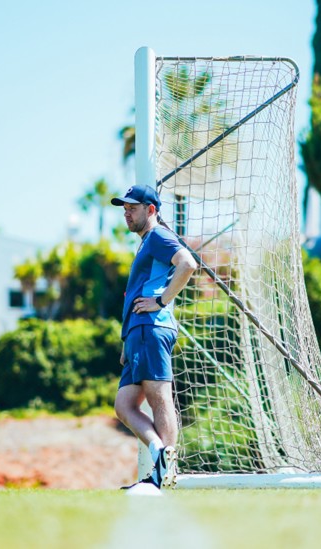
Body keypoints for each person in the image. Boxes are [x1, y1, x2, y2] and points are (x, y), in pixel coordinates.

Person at [111, 184, 197, 489]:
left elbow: (188, 264)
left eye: (132, 209)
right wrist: (126, 340)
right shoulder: (146, 241)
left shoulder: (159, 235)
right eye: (124, 210)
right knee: (124, 405)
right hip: (137, 333)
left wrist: (160, 302)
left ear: (151, 210)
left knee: (159, 398)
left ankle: (165, 474)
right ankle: (160, 456)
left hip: (152, 327)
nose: (127, 214)